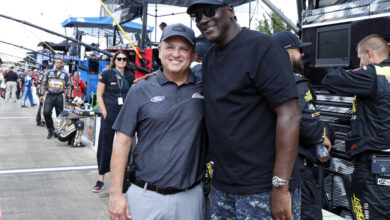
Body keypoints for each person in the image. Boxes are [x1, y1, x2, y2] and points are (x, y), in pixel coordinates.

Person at [187, 1, 302, 219]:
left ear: (229, 9)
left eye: (209, 11)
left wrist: (280, 188)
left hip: (263, 188)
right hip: (224, 186)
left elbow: (290, 114)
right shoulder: (211, 56)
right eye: (197, 15)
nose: (202, 20)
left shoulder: (262, 47)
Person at [108, 23, 205, 220]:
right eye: (169, 47)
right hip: (145, 197)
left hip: (191, 198)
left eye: (183, 49)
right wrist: (115, 194)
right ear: (159, 51)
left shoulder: (207, 87)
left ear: (193, 55)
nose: (176, 54)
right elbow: (122, 143)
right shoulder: (140, 90)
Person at [322, 34, 390, 220]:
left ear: (369, 53)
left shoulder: (373, 75)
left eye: (360, 59)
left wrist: (359, 69)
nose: (360, 64)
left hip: (375, 167)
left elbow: (331, 79)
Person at [273, 31, 334, 220]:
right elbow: (306, 123)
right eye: (298, 50)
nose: (302, 55)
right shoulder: (296, 83)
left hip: (273, 169)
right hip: (297, 169)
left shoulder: (265, 82)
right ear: (287, 52)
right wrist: (323, 137)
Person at [93, 51, 135, 193]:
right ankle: (101, 179)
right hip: (109, 113)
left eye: (124, 59)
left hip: (125, 114)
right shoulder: (106, 74)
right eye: (119, 58)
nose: (122, 61)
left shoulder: (130, 75)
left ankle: (123, 179)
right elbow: (99, 93)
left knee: (125, 147)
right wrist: (104, 111)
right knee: (105, 145)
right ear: (114, 60)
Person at [40, 59, 71, 139]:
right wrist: (41, 94)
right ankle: (50, 130)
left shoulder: (66, 74)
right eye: (57, 62)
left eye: (60, 63)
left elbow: (69, 86)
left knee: (60, 115)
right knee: (46, 112)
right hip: (49, 95)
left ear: (62, 64)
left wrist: (69, 97)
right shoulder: (48, 72)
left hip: (60, 96)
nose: (58, 64)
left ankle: (58, 131)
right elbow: (43, 83)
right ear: (55, 63)